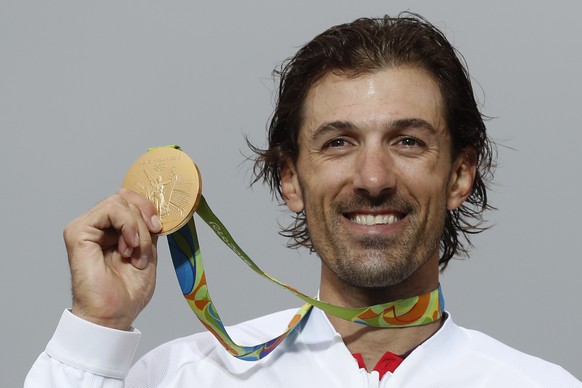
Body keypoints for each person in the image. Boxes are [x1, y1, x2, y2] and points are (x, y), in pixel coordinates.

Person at [25, 13, 581, 387]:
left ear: (460, 174)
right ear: (290, 179)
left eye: (407, 141)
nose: (372, 177)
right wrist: (96, 330)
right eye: (338, 142)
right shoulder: (187, 376)